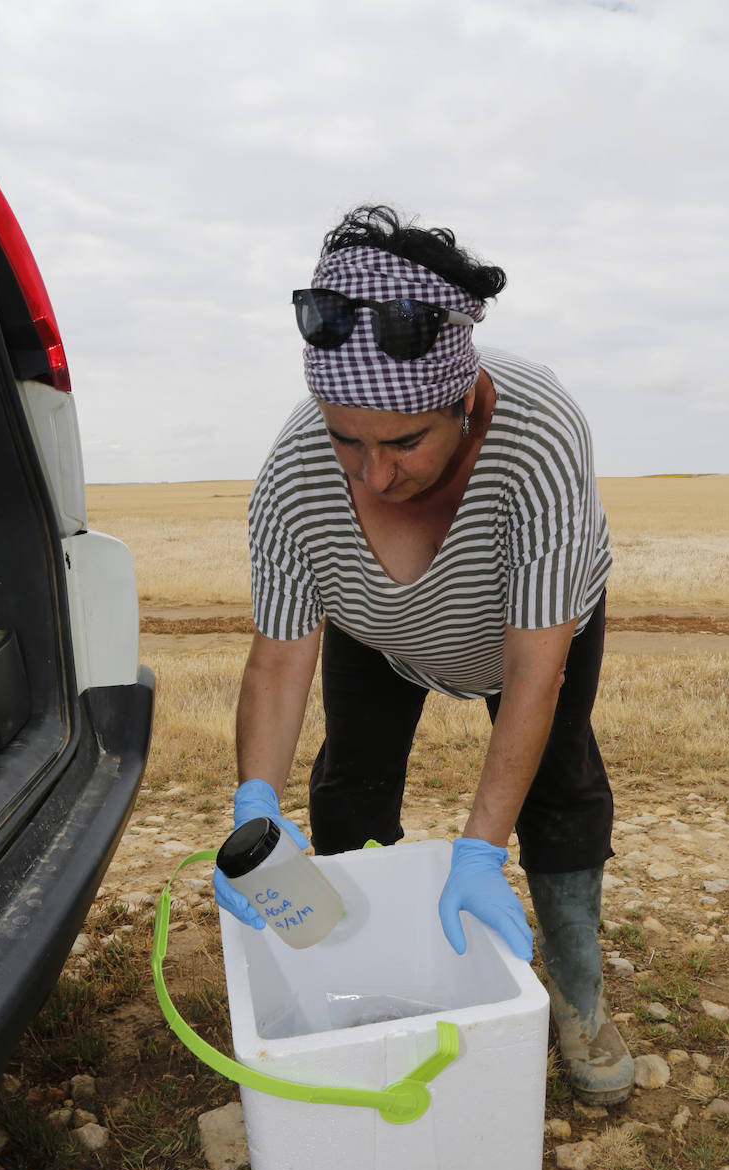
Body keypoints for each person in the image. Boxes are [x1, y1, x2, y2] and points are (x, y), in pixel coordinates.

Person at [214, 204, 633, 1107]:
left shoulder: (539, 433)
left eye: (403, 441)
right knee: (348, 784)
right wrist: (255, 802)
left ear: (468, 400)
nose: (372, 475)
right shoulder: (294, 470)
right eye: (345, 439)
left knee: (560, 787)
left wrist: (479, 850)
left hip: (526, 626)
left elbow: (533, 673)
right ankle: (363, 978)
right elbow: (280, 659)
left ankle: (581, 997)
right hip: (382, 630)